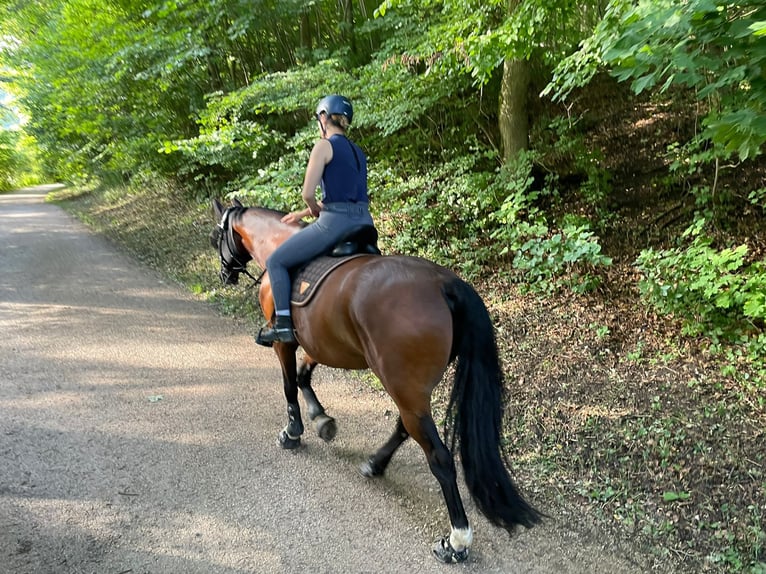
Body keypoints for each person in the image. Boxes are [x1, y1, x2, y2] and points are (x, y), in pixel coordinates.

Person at [258, 95, 375, 345]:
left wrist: (311, 208)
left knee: (276, 260)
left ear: (323, 117)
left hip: (335, 224)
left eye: (318, 119)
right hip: (365, 223)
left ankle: (283, 325)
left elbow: (308, 194)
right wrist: (303, 214)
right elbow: (345, 195)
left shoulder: (324, 146)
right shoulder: (358, 152)